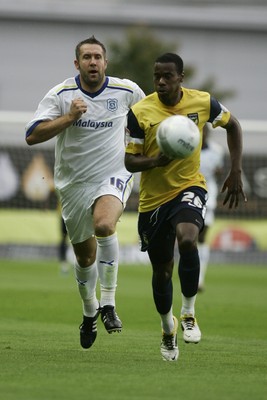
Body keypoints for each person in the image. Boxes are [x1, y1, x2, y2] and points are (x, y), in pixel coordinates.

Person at [125, 52, 247, 362]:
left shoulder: (203, 102)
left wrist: (236, 170)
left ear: (181, 78)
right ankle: (168, 329)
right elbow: (129, 161)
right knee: (162, 271)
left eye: (167, 76)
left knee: (189, 238)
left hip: (189, 187)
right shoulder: (140, 112)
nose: (161, 82)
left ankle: (189, 312)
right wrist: (155, 160)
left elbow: (233, 126)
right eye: (157, 77)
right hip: (153, 201)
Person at [25, 35, 145, 349]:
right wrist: (68, 117)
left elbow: (149, 119)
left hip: (113, 173)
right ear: (77, 64)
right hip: (74, 183)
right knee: (84, 257)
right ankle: (89, 310)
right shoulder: (62, 95)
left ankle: (108, 304)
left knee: (105, 225)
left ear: (106, 62)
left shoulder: (127, 90)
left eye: (97, 57)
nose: (93, 62)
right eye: (87, 57)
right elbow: (31, 136)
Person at [198, 125, 225, 292]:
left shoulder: (217, 151)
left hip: (208, 197)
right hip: (184, 195)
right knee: (186, 239)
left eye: (205, 129)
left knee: (201, 237)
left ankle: (199, 278)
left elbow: (218, 174)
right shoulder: (184, 146)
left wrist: (218, 173)